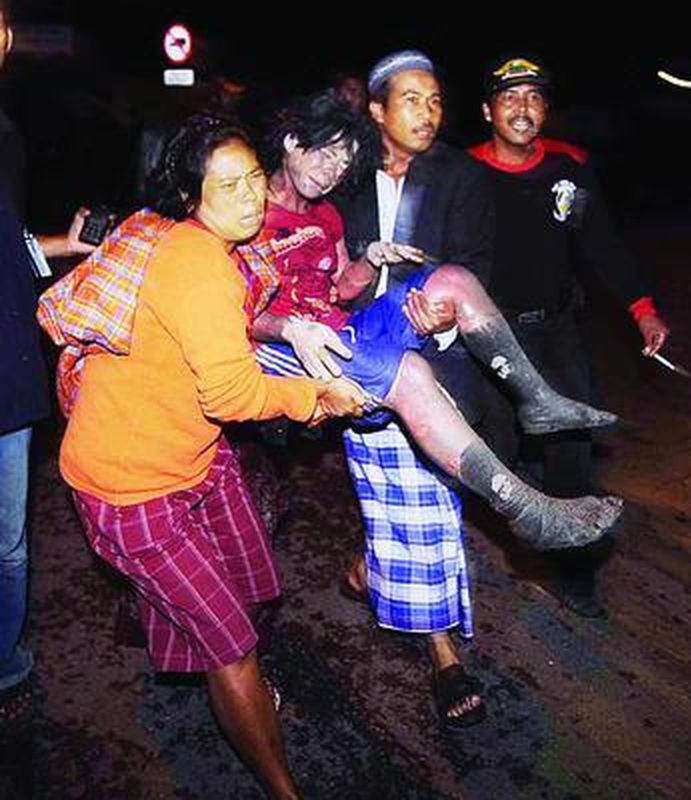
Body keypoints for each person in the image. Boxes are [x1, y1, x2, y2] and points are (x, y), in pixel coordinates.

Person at [255, 91, 622, 724]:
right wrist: (289, 329)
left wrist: (369, 263)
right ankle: (520, 505)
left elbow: (337, 289)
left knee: (450, 280)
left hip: (341, 334)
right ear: (290, 142)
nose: (336, 169)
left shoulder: (329, 215)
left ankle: (537, 401)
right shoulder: (241, 205)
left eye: (346, 158)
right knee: (412, 375)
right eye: (326, 151)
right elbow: (227, 304)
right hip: (288, 351)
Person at [38, 114, 367, 799]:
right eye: (227, 185)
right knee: (235, 645)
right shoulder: (196, 263)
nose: (250, 197)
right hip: (129, 485)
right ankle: (282, 785)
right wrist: (318, 397)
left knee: (252, 581)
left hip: (192, 456)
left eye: (253, 179)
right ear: (190, 197)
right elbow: (232, 391)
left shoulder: (209, 248)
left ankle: (182, 634)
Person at [329, 50, 497, 725]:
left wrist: (448, 320)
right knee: (394, 499)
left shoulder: (460, 176)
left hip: (435, 365)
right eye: (411, 100)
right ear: (376, 110)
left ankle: (433, 643)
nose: (429, 113)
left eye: (435, 100)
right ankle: (407, 612)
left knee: (428, 500)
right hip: (354, 363)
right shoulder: (340, 178)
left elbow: (478, 268)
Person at [469, 56, 670, 616]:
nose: (523, 108)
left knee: (572, 448)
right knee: (497, 449)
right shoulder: (464, 174)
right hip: (490, 335)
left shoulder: (569, 169)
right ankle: (504, 541)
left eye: (533, 97)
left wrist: (643, 309)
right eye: (509, 98)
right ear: (488, 111)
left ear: (546, 109)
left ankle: (573, 570)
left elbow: (599, 242)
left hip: (556, 328)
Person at [0, 0, 96, 721]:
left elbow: (4, 252)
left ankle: (4, 666)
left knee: (7, 544)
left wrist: (58, 247)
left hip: (5, 374)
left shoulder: (6, 135)